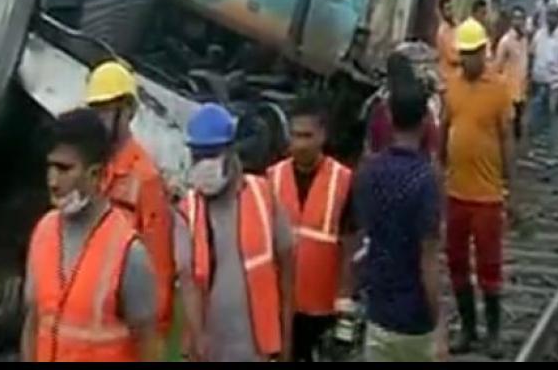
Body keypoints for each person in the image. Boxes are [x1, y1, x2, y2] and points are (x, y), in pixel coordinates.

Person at [21, 108, 159, 362]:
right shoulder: (43, 232)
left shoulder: (128, 252)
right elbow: (34, 322)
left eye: (64, 169)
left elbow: (148, 344)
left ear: (96, 173)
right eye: (50, 167)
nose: (52, 181)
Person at [177, 103, 295, 362]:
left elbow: (287, 268)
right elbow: (188, 283)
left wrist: (286, 336)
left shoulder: (263, 195)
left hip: (258, 349)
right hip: (210, 351)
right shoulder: (188, 211)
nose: (203, 164)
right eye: (198, 156)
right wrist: (198, 337)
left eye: (211, 154)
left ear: (231, 152)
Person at [354, 54, 446, 362]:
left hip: (378, 313)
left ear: (390, 119)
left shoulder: (369, 172)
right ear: (425, 122)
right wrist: (440, 325)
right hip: (414, 322)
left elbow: (363, 237)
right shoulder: (426, 180)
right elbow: (428, 262)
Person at [441, 19, 514, 358]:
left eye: (472, 54)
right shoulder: (451, 86)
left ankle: (494, 333)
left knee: (489, 267)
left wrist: (510, 187)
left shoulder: (498, 89)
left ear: (484, 52)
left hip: (486, 197)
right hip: (456, 194)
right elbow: (444, 127)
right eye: (463, 54)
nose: (467, 60)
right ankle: (469, 329)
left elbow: (506, 140)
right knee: (456, 264)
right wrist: (439, 166)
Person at [85, 61, 175, 338]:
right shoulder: (91, 167)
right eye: (95, 110)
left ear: (127, 112)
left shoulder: (145, 178)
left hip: (124, 314)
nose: (99, 118)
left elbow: (159, 262)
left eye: (106, 110)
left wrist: (154, 330)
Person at [267, 93, 356, 362]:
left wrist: (345, 301)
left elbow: (349, 243)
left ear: (322, 136)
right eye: (295, 136)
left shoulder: (343, 180)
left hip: (321, 308)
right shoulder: (272, 177)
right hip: (279, 302)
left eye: (307, 136)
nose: (300, 144)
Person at [528, 6, 558, 156]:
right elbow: (531, 56)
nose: (551, 19)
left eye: (554, 16)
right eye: (549, 16)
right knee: (535, 122)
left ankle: (550, 158)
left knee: (553, 123)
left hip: (554, 86)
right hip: (539, 85)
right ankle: (538, 153)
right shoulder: (539, 35)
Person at [493, 7, 529, 143]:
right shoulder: (505, 41)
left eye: (521, 18)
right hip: (508, 91)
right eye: (515, 18)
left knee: (518, 127)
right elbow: (498, 67)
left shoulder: (525, 40)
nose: (518, 22)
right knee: (508, 128)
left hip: (521, 90)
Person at [435, 0, 459, 82]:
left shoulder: (455, 26)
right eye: (448, 9)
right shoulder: (444, 30)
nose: (451, 11)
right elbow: (452, 57)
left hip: (455, 75)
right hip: (447, 75)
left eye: (451, 8)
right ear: (442, 12)